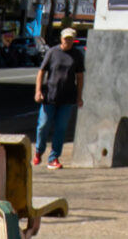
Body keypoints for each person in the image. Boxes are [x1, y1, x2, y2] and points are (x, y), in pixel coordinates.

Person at [33, 26, 85, 167]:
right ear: (61, 38)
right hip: (50, 96)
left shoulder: (77, 55)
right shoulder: (53, 52)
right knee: (43, 125)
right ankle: (38, 152)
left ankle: (54, 158)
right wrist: (38, 91)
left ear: (73, 40)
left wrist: (79, 97)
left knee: (61, 129)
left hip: (67, 98)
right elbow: (41, 72)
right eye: (65, 38)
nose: (67, 41)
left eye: (70, 39)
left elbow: (79, 77)